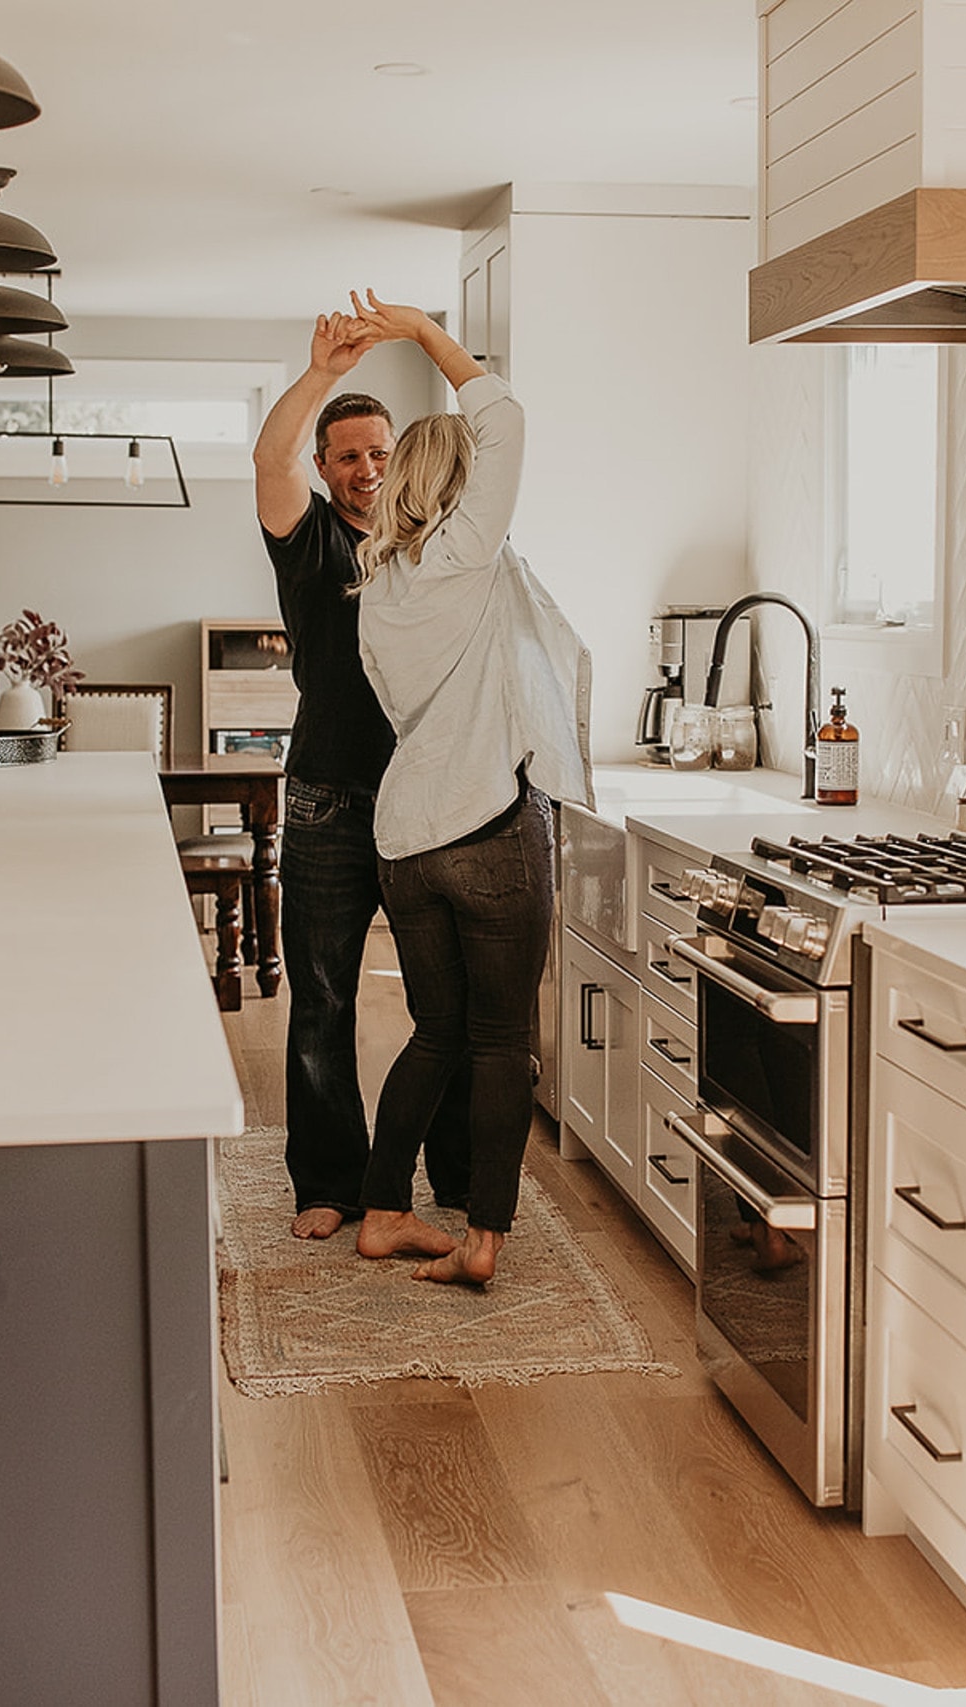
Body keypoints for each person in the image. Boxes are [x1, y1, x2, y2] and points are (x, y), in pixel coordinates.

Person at [342, 291, 592, 1288]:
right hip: (488, 833)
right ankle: (483, 1240)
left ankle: (380, 1212)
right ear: (461, 488)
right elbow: (505, 415)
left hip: (406, 841)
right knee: (499, 1044)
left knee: (434, 1035)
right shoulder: (462, 556)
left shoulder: (384, 585)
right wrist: (417, 333)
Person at [253, 312, 471, 1240]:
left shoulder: (433, 545)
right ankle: (330, 1183)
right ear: (328, 467)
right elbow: (270, 460)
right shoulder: (309, 542)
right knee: (324, 995)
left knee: (442, 1003)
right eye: (345, 456)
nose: (366, 469)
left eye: (378, 450)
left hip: (425, 806)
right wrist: (316, 375)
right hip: (326, 803)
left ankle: (452, 1173)